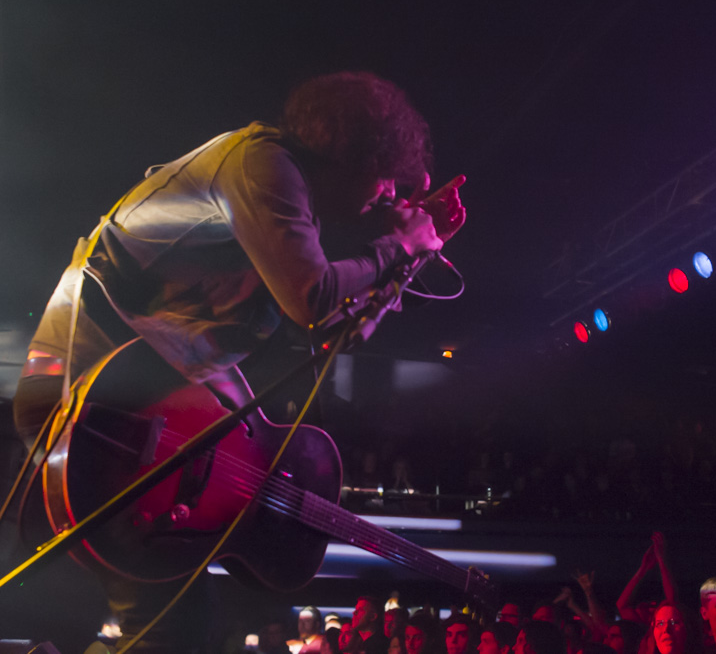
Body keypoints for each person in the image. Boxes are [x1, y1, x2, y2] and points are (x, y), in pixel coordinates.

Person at [11, 70, 467, 652]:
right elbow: (313, 299)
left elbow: (335, 332)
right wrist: (397, 245)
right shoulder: (262, 167)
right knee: (161, 625)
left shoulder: (292, 205)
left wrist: (409, 259)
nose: (386, 193)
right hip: (91, 400)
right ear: (348, 155)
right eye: (382, 175)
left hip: (142, 410)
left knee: (171, 626)